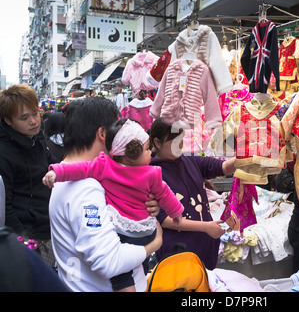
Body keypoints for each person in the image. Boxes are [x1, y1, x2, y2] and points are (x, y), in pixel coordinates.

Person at [43, 118, 184, 292]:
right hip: (145, 233)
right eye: (148, 149)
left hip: (121, 232)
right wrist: (176, 213)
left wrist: (57, 172)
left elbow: (81, 169)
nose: (151, 153)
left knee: (121, 275)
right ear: (133, 153)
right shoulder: (152, 174)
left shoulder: (104, 166)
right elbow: (165, 194)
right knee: (136, 266)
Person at [149, 118, 236, 269]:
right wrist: (205, 227)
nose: (180, 145)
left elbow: (223, 167)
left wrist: (246, 157)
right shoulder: (151, 173)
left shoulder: (189, 160)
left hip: (205, 247)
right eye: (174, 141)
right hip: (177, 251)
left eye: (181, 140)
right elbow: (165, 219)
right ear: (157, 142)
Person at [0, 85, 59, 267]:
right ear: (8, 120)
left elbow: (54, 164)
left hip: (48, 226)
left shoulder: (37, 139)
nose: (33, 121)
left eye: (35, 113)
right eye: (24, 118)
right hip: (28, 237)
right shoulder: (3, 152)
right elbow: (5, 204)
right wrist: (22, 240)